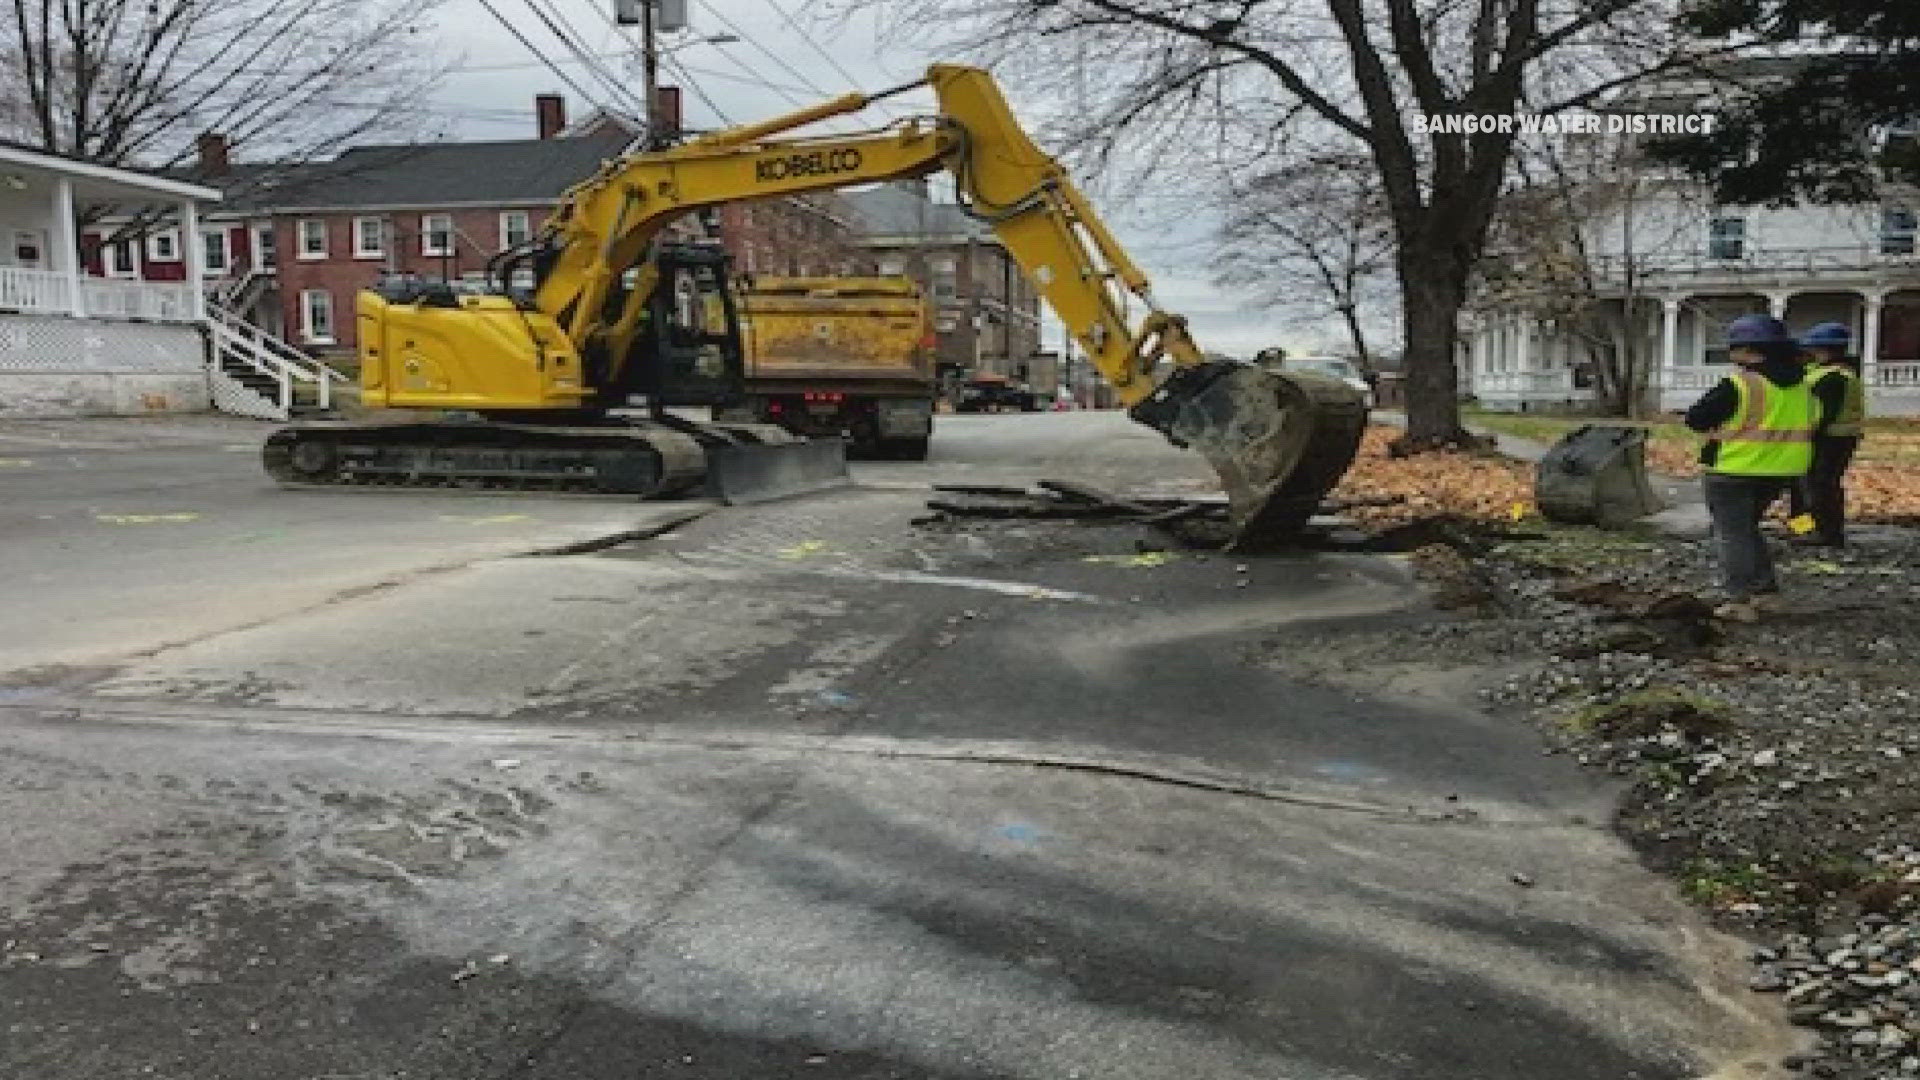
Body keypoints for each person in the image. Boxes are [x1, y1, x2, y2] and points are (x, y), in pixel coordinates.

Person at [1683, 314, 1817, 622]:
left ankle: (1739, 598)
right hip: (1783, 470)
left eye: (1734, 347)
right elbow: (1814, 421)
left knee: (1731, 534)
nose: (1731, 354)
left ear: (1751, 351)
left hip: (1734, 468)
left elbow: (1696, 418)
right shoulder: (1803, 386)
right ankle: (1766, 592)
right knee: (1746, 530)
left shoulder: (1740, 384)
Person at [1786, 321, 1865, 548]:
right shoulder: (1826, 372)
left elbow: (1822, 413)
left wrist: (1804, 434)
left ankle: (1827, 533)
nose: (1809, 353)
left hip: (1831, 439)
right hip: (1834, 437)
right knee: (1806, 485)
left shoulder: (1834, 377)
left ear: (1825, 349)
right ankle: (1804, 528)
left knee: (1821, 486)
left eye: (1813, 349)